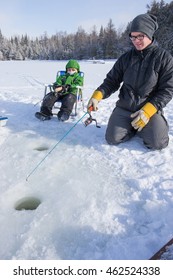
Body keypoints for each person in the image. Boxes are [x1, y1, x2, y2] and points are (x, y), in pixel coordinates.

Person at [87, 13, 173, 150]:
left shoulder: (164, 58)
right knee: (112, 138)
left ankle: (151, 126)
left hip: (148, 109)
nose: (136, 41)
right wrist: (98, 95)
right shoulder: (125, 58)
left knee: (158, 143)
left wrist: (148, 110)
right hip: (125, 107)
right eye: (133, 37)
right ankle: (133, 127)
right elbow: (112, 81)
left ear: (149, 35)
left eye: (140, 36)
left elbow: (168, 90)